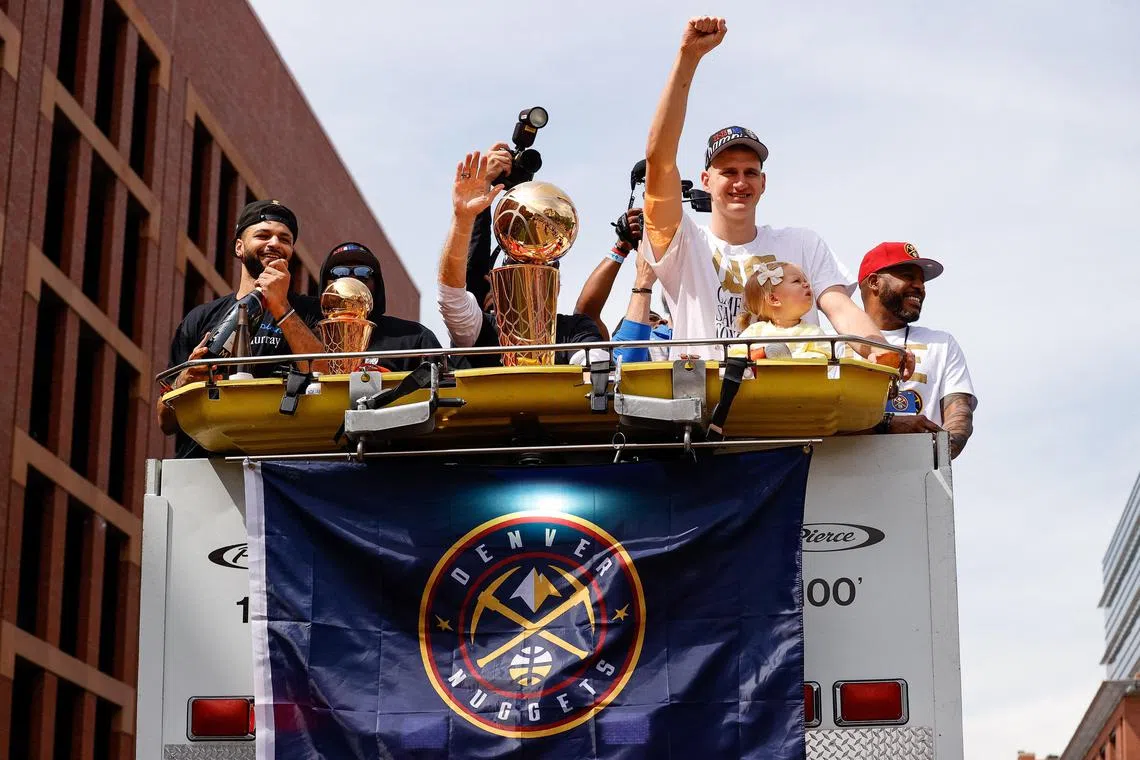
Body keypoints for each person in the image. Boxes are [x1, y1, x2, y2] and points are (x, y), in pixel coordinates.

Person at [639, 17, 909, 375]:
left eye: (750, 172)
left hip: (793, 412)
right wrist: (688, 58)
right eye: (728, 172)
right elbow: (659, 162)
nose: (740, 182)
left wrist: (879, 349)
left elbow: (840, 309)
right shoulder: (683, 242)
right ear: (705, 180)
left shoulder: (802, 243)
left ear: (763, 184)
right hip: (707, 416)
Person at [158, 200, 327, 457]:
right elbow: (165, 421)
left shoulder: (313, 312)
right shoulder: (201, 317)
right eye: (262, 235)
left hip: (284, 467)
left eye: (285, 239)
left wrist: (280, 305)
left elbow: (327, 376)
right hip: (206, 469)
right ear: (239, 247)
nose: (274, 243)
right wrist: (185, 381)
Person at [437, 149, 602, 367]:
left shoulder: (576, 329)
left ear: (557, 284)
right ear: (499, 284)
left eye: (543, 266)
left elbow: (594, 367)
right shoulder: (482, 328)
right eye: (519, 267)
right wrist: (463, 218)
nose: (531, 277)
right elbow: (451, 296)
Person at [858, 241, 977, 458]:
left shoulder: (941, 343)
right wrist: (887, 425)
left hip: (918, 481)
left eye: (922, 281)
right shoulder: (835, 342)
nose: (920, 287)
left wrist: (936, 454)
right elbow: (821, 420)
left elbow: (960, 410)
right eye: (908, 276)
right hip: (837, 479)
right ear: (874, 282)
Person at [318, 241, 445, 371]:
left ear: (376, 285)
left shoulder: (414, 337)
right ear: (325, 284)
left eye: (363, 273)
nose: (352, 280)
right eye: (339, 273)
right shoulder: (308, 335)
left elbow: (446, 385)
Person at [727, 262, 831, 360]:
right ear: (774, 299)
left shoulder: (812, 332)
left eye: (805, 280)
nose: (807, 284)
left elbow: (822, 359)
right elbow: (735, 356)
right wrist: (761, 354)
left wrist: (789, 359)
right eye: (797, 281)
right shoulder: (756, 331)